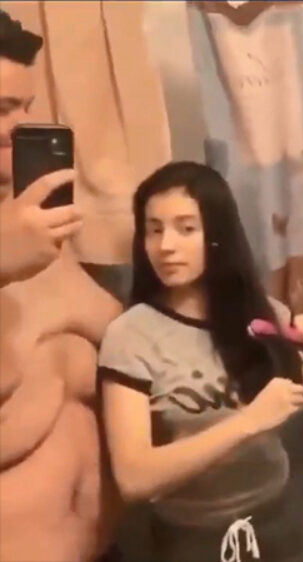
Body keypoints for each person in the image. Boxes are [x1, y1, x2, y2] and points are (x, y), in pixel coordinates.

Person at [98, 161, 303, 561]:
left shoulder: (260, 314)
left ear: (217, 236)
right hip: (191, 540)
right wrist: (248, 422)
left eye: (186, 229)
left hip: (280, 522)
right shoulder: (130, 336)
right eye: (154, 230)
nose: (165, 246)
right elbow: (134, 478)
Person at [0, 10, 126, 562]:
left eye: (26, 107)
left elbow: (132, 340)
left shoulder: (40, 233)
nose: (22, 127)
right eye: (1, 109)